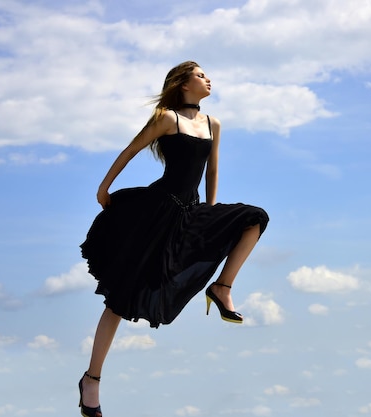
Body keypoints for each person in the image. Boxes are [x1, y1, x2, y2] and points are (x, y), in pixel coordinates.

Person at [77, 61, 269, 417]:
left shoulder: (213, 123)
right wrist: (104, 187)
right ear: (182, 84)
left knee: (254, 218)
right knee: (120, 300)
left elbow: (212, 169)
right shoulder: (166, 118)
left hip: (190, 212)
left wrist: (211, 215)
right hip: (155, 213)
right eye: (200, 74)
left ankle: (222, 288)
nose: (208, 78)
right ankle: (92, 380)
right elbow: (130, 150)